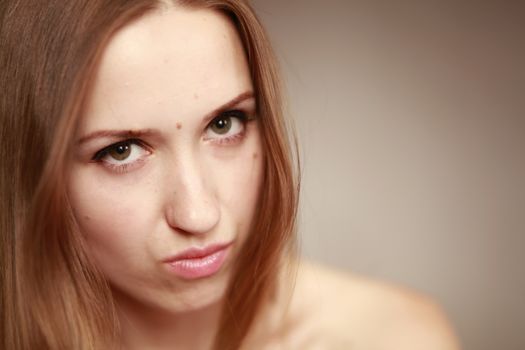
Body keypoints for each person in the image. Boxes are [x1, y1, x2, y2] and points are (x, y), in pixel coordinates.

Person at [0, 0, 460, 349]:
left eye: (225, 124)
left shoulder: (386, 337)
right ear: (27, 169)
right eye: (121, 151)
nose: (199, 214)